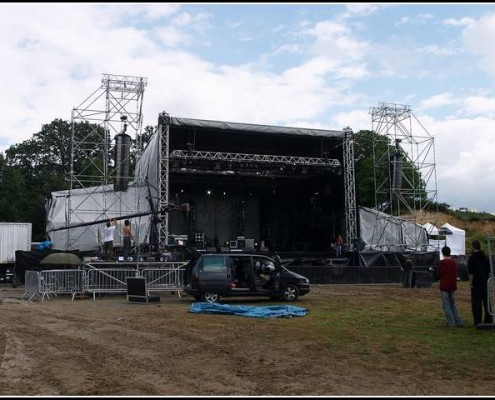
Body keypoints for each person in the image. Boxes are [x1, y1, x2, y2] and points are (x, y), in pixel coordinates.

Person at [468, 240, 493, 326]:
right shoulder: (485, 257)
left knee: (476, 304)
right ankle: (488, 319)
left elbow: (471, 273)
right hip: (485, 282)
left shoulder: (472, 258)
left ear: (473, 247)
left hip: (476, 283)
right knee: (487, 303)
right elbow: (489, 271)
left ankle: (477, 320)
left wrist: (471, 283)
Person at [438, 246, 463, 327]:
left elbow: (439, 273)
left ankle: (449, 322)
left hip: (444, 285)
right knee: (452, 304)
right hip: (452, 285)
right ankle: (458, 321)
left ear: (443, 253)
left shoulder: (442, 262)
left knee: (446, 305)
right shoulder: (454, 262)